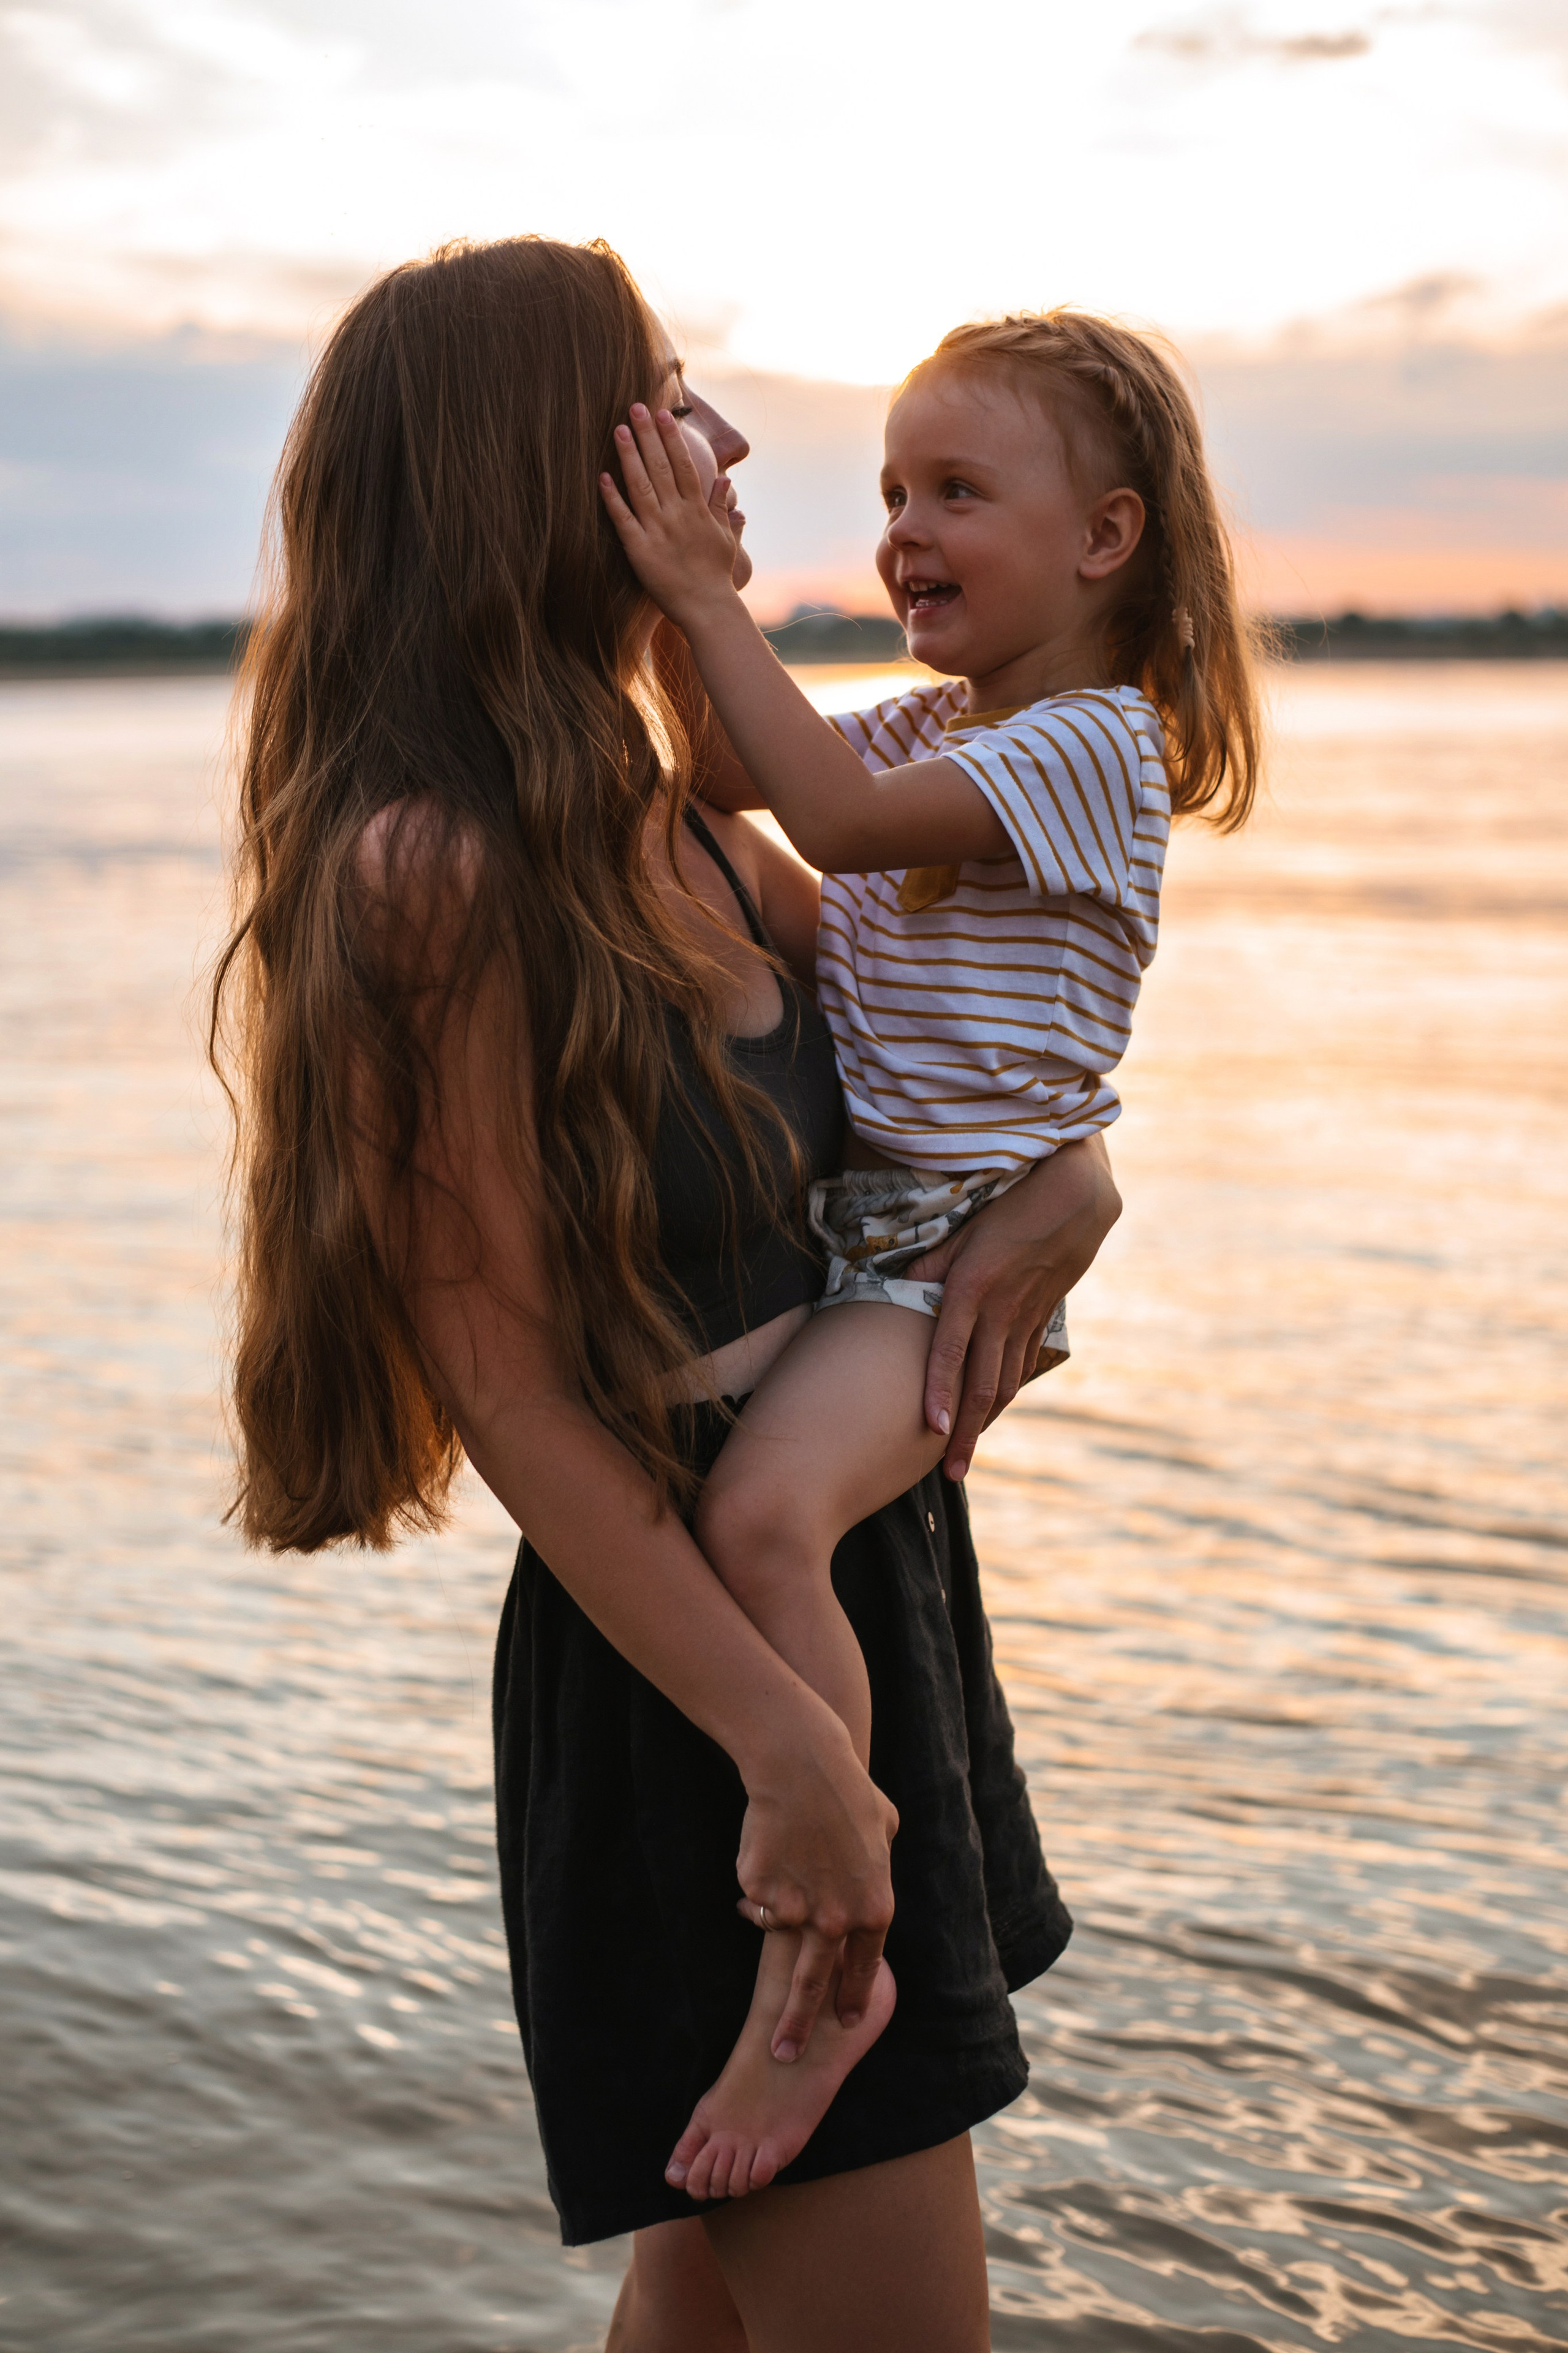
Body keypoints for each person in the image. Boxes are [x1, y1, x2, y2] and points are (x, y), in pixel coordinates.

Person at [210, 235, 1121, 2353]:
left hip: (856, 1596)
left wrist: (1076, 1175)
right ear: (547, 462)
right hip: (695, 1671)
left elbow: (958, 1067)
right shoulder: (430, 870)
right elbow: (514, 1394)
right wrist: (790, 1749)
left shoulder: (680, 813)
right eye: (667, 400)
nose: (721, 444)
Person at [599, 309, 1263, 2201]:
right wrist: (679, 561)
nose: (903, 529)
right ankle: (828, 1910)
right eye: (892, 491)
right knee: (758, 1512)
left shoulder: (1086, 748)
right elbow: (737, 764)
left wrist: (704, 584)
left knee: (757, 1525)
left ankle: (833, 1944)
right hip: (886, 1232)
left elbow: (819, 814)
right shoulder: (931, 719)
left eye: (957, 491)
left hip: (935, 1251)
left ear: (1107, 540)